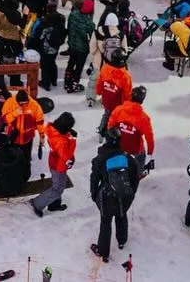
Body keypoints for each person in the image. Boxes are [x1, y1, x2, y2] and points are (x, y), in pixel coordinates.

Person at [89, 127, 141, 262]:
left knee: (105, 222)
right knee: (122, 215)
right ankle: (122, 240)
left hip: (107, 198)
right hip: (125, 196)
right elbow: (135, 178)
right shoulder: (128, 158)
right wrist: (131, 193)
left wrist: (94, 194)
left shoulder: (100, 159)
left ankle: (103, 252)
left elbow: (94, 178)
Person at [30, 112, 78, 217]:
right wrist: (73, 140)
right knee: (57, 188)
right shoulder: (61, 141)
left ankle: (54, 204)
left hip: (55, 162)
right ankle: (37, 203)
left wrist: (68, 135)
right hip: (59, 166)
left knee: (59, 184)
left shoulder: (54, 130)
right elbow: (67, 156)